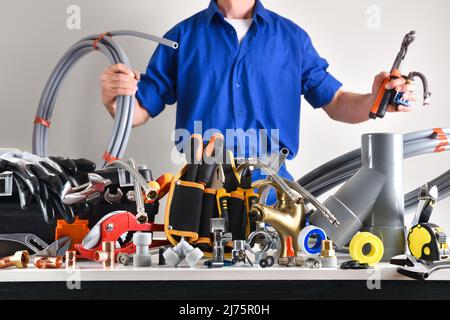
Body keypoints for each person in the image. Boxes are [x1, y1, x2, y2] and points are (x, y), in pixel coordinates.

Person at [100, 0, 414, 181]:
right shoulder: (181, 38)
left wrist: (374, 101)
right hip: (201, 185)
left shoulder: (292, 39)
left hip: (274, 190)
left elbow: (335, 102)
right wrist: (115, 100)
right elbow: (139, 110)